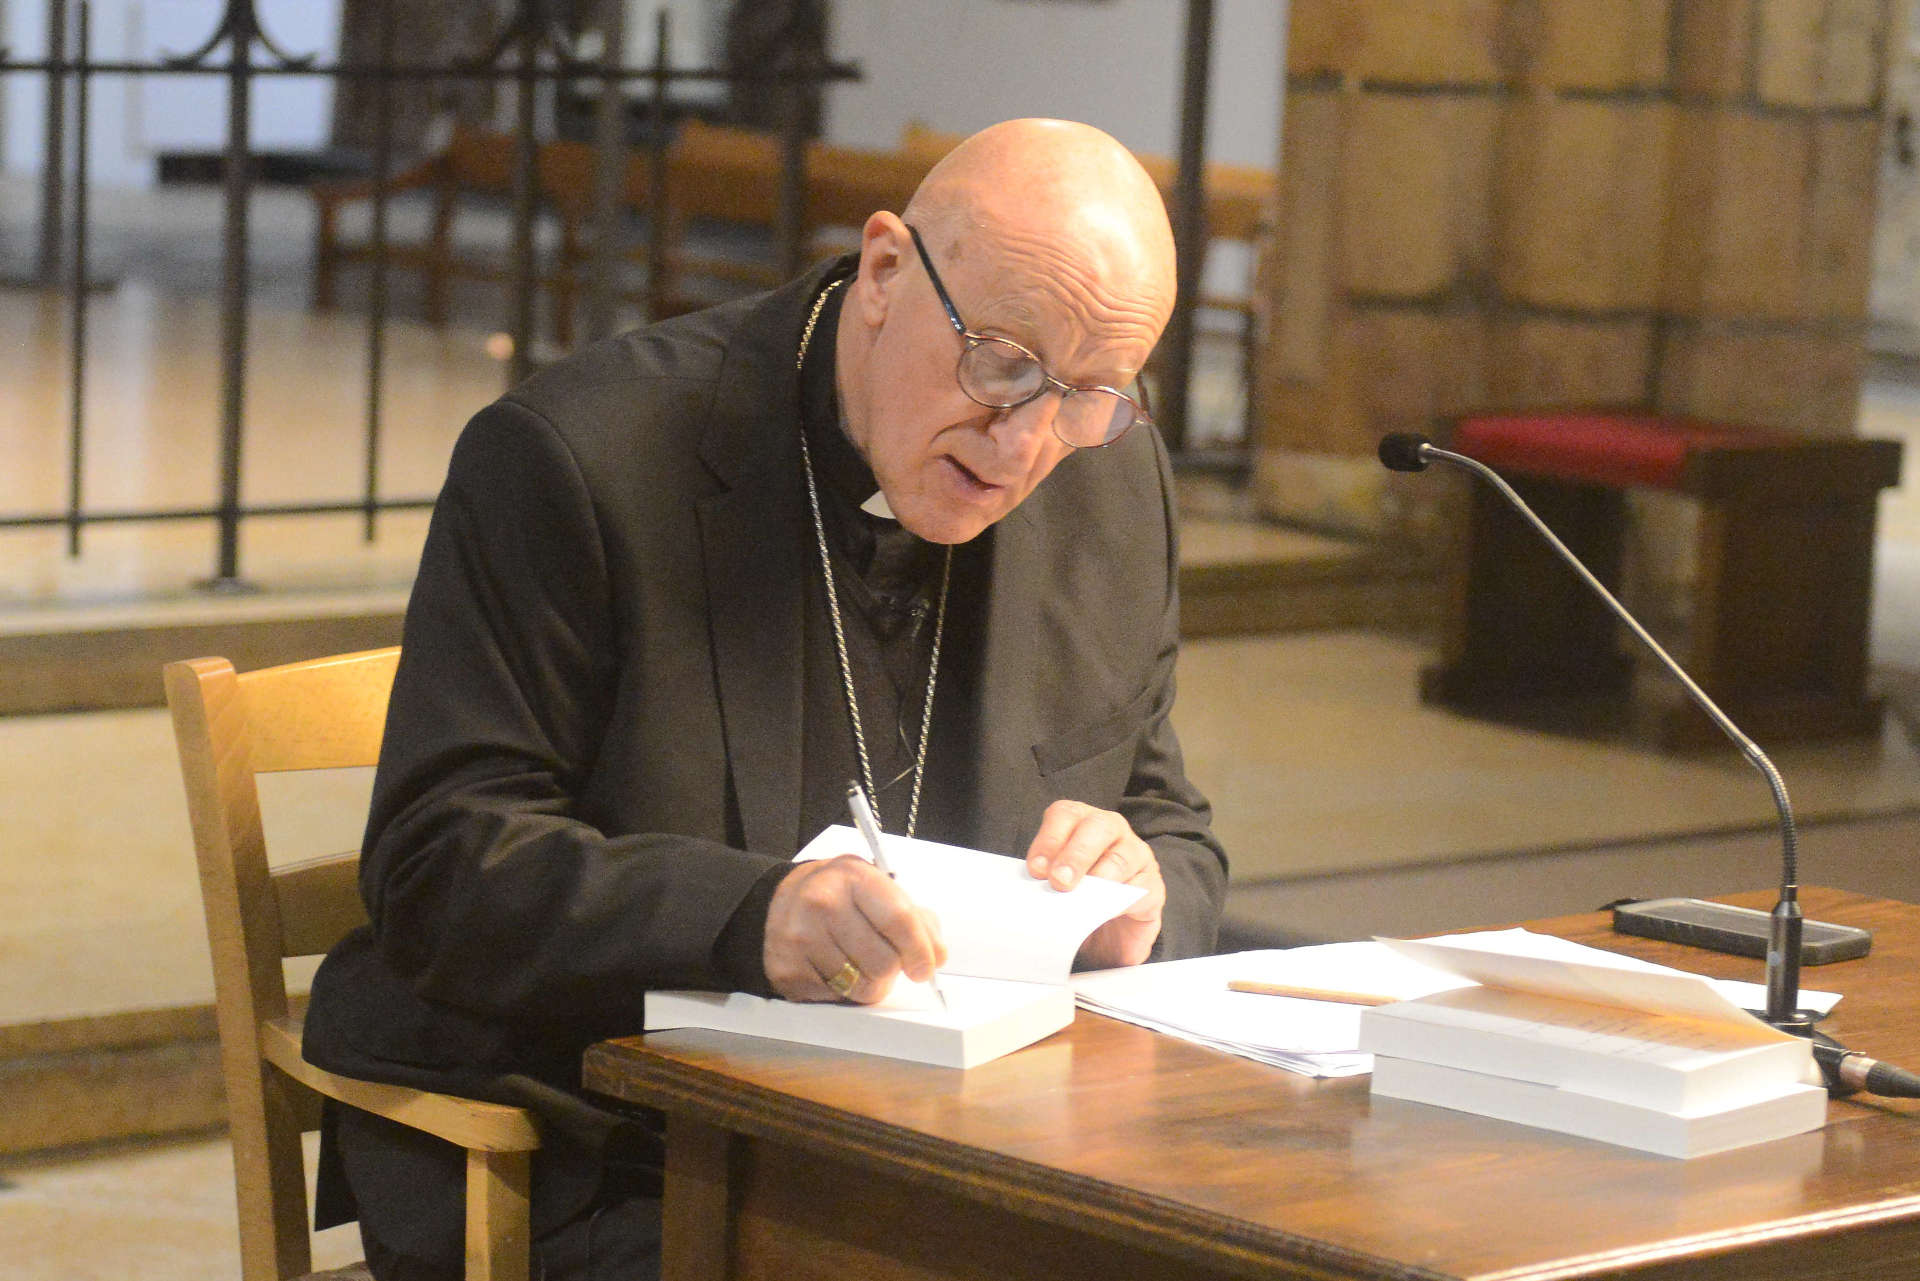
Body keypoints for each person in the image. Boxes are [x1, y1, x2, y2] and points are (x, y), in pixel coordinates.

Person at [303, 117, 1229, 1281]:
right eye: (1002, 362)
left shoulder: (1108, 481)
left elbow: (1172, 828)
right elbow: (441, 866)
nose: (1029, 440)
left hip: (962, 1152)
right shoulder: (577, 459)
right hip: (611, 1145)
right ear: (887, 271)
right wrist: (751, 918)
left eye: (1090, 393)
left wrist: (1142, 898)